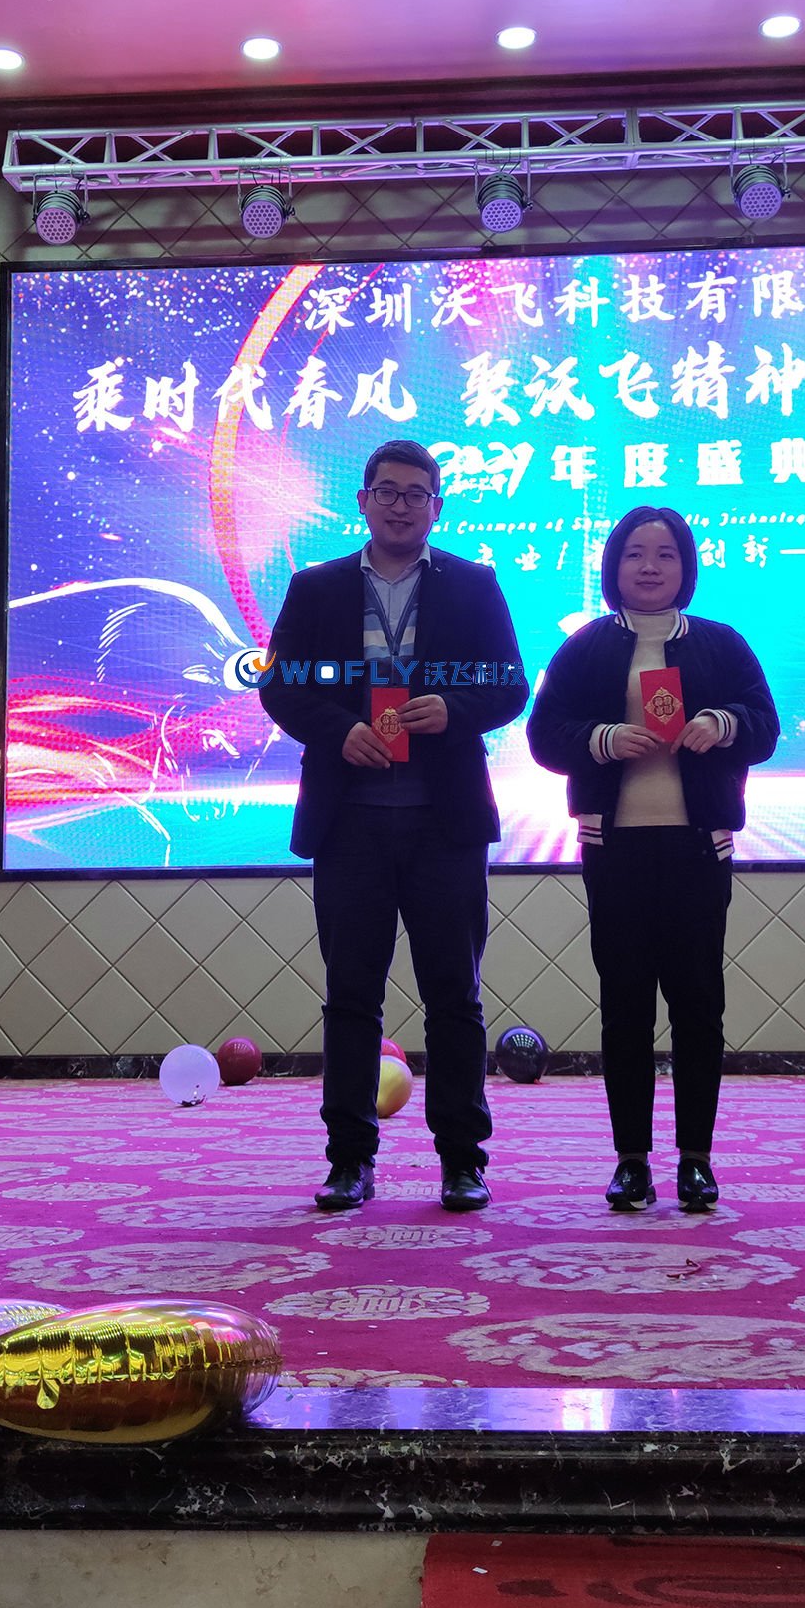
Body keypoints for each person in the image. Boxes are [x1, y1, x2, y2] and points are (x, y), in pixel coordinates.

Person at [258, 439, 526, 1213]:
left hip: (445, 824)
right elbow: (278, 690)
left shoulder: (474, 585)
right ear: (363, 501)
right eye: (387, 491)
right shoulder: (315, 588)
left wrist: (455, 709)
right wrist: (338, 730)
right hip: (350, 824)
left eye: (415, 493)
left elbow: (510, 686)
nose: (400, 505)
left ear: (436, 507)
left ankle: (462, 1162)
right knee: (350, 998)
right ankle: (349, 1161)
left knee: (454, 999)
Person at [526, 506, 778, 1213]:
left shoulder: (721, 644)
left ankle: (696, 1160)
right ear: (613, 566)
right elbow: (544, 735)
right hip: (616, 848)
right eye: (634, 553)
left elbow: (765, 728)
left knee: (699, 1005)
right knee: (626, 1005)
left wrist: (721, 724)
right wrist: (603, 739)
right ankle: (631, 1161)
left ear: (685, 567)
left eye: (665, 554)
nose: (648, 566)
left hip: (699, 846)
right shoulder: (586, 646)